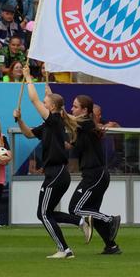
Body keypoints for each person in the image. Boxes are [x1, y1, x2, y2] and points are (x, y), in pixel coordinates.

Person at [14, 65, 90, 259]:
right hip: (56, 174)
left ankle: (64, 249)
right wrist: (20, 120)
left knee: (44, 213)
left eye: (46, 102)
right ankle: (80, 222)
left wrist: (28, 77)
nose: (43, 103)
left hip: (56, 173)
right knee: (45, 213)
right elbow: (29, 134)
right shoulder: (48, 124)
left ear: (52, 107)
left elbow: (33, 99)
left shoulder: (55, 119)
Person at [66, 93, 122, 255]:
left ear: (84, 110)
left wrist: (55, 109)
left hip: (95, 175)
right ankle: (111, 246)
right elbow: (74, 146)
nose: (72, 108)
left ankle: (110, 219)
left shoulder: (87, 122)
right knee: (92, 214)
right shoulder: (83, 127)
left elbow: (65, 117)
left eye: (75, 106)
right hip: (95, 175)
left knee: (75, 209)